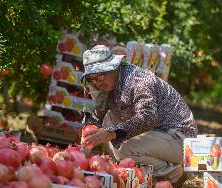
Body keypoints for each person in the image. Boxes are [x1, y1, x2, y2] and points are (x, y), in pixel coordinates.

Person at [81, 45, 198, 187]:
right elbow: (99, 116)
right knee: (109, 119)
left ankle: (174, 173)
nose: (98, 82)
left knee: (126, 149)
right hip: (158, 135)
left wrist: (112, 133)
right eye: (92, 79)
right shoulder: (111, 85)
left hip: (181, 140)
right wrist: (88, 136)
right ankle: (150, 166)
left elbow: (148, 117)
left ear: (114, 67)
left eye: (101, 75)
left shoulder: (138, 81)